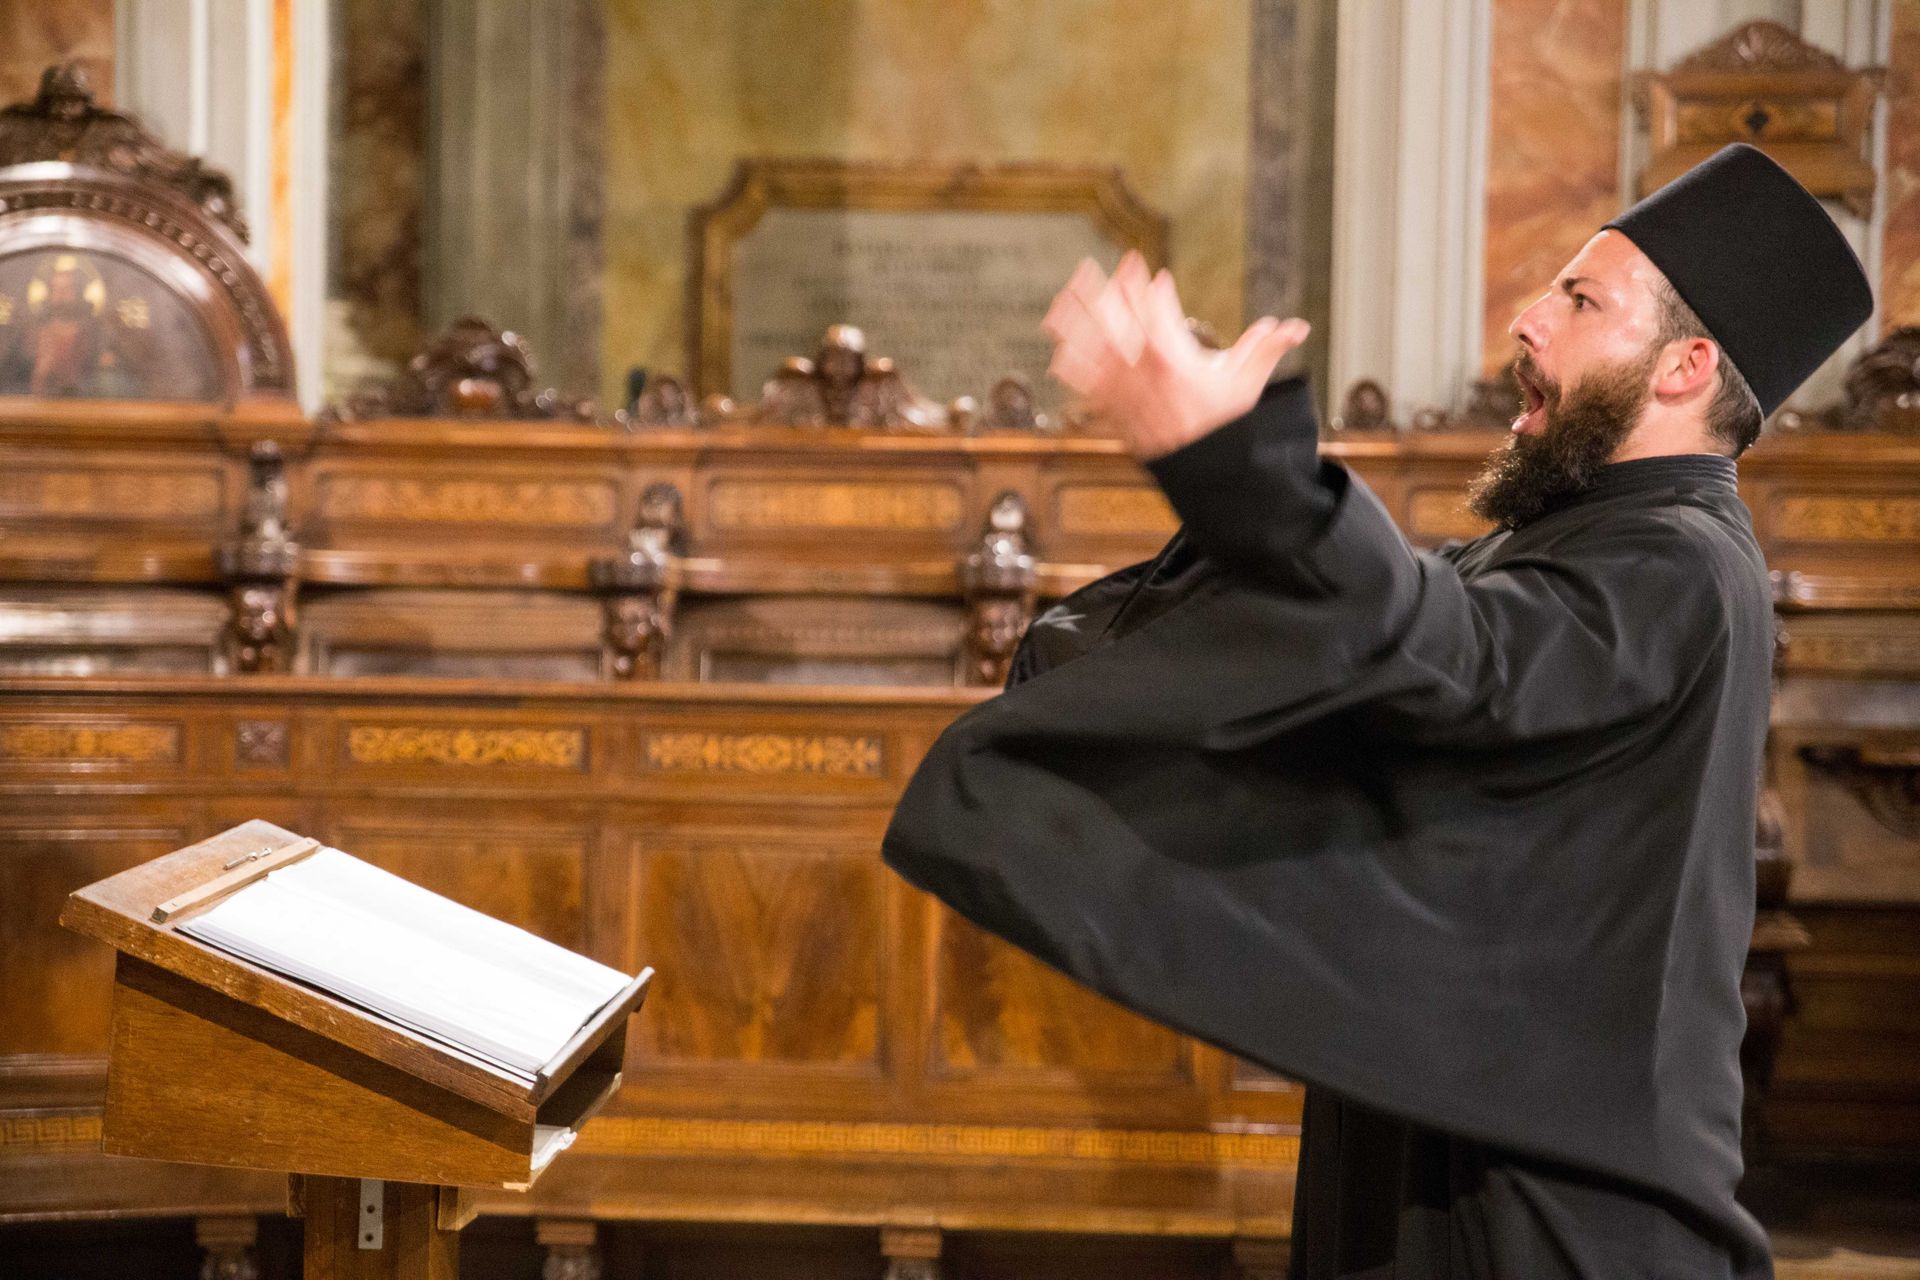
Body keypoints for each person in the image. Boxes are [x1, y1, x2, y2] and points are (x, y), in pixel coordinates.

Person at [882, 143, 1873, 1279]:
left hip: (1568, 1200)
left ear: (1685, 366)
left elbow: (1452, 652)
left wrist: (1241, 462)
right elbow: (1373, 647)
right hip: (1446, 1122)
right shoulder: (1568, 542)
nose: (1528, 321)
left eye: (1581, 300)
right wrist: (1217, 507)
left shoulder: (1683, 564)